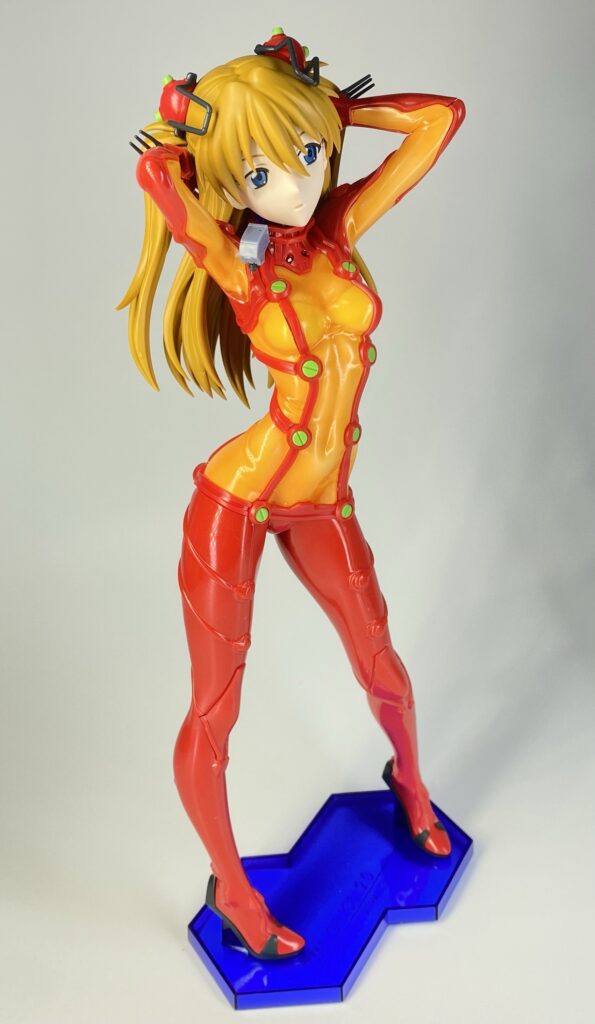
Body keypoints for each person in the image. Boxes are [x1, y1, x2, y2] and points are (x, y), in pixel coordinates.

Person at [119, 28, 466, 960]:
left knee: (381, 663)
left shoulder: (340, 228)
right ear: (234, 183)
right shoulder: (237, 265)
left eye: (310, 153)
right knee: (214, 711)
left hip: (321, 500)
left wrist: (329, 108)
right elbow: (156, 179)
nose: (300, 182)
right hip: (236, 500)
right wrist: (196, 143)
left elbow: (440, 120)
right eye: (265, 171)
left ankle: (411, 785)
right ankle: (231, 889)